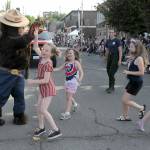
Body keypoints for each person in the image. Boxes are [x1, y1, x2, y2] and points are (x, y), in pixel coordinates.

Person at [0, 9, 36, 126]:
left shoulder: (17, 37)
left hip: (18, 73)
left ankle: (19, 115)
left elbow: (22, 45)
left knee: (19, 94)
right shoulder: (5, 37)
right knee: (1, 95)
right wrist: (31, 34)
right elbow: (19, 42)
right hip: (6, 73)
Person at [27, 28, 62, 140]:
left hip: (48, 89)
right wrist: (36, 36)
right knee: (38, 108)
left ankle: (56, 130)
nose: (43, 51)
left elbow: (46, 80)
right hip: (42, 89)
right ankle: (41, 128)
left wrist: (33, 81)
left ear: (51, 54)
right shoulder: (42, 57)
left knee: (43, 110)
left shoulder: (48, 63)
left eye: (46, 50)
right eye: (43, 49)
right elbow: (36, 46)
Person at [116, 39, 149, 121]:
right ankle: (125, 116)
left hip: (136, 82)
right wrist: (128, 60)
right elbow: (132, 62)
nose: (129, 48)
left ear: (137, 48)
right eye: (129, 46)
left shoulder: (139, 59)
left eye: (131, 47)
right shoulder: (134, 57)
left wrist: (128, 72)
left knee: (124, 100)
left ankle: (141, 108)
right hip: (132, 81)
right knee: (125, 100)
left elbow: (141, 72)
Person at [54, 49, 84, 120]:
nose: (69, 54)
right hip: (67, 82)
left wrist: (80, 79)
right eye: (68, 53)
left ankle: (67, 113)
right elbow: (58, 69)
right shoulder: (66, 63)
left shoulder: (76, 62)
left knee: (69, 98)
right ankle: (75, 104)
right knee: (68, 97)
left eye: (71, 53)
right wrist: (49, 69)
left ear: (74, 55)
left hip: (73, 82)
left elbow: (81, 72)